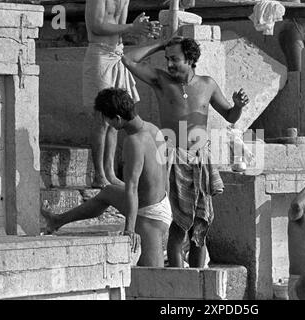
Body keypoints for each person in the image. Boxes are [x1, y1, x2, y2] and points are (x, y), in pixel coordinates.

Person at [121, 36, 250, 267]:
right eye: (167, 59)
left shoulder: (207, 84)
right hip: (171, 158)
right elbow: (128, 59)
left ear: (190, 59)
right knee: (177, 228)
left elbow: (230, 116)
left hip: (200, 161)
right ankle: (180, 280)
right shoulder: (161, 80)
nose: (170, 64)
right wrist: (161, 44)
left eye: (175, 59)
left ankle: (200, 280)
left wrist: (238, 106)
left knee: (200, 228)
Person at [42, 88, 172, 267]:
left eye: (108, 120)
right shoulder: (154, 129)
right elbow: (166, 172)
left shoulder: (134, 142)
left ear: (117, 118)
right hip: (161, 204)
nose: (109, 124)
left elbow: (132, 187)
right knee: (109, 192)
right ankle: (57, 221)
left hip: (149, 217)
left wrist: (130, 229)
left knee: (151, 280)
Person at [83, 0, 161, 188]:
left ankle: (109, 172)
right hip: (100, 55)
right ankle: (99, 174)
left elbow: (119, 28)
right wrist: (132, 27)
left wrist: (141, 30)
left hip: (117, 53)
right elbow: (96, 25)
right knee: (101, 118)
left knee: (115, 119)